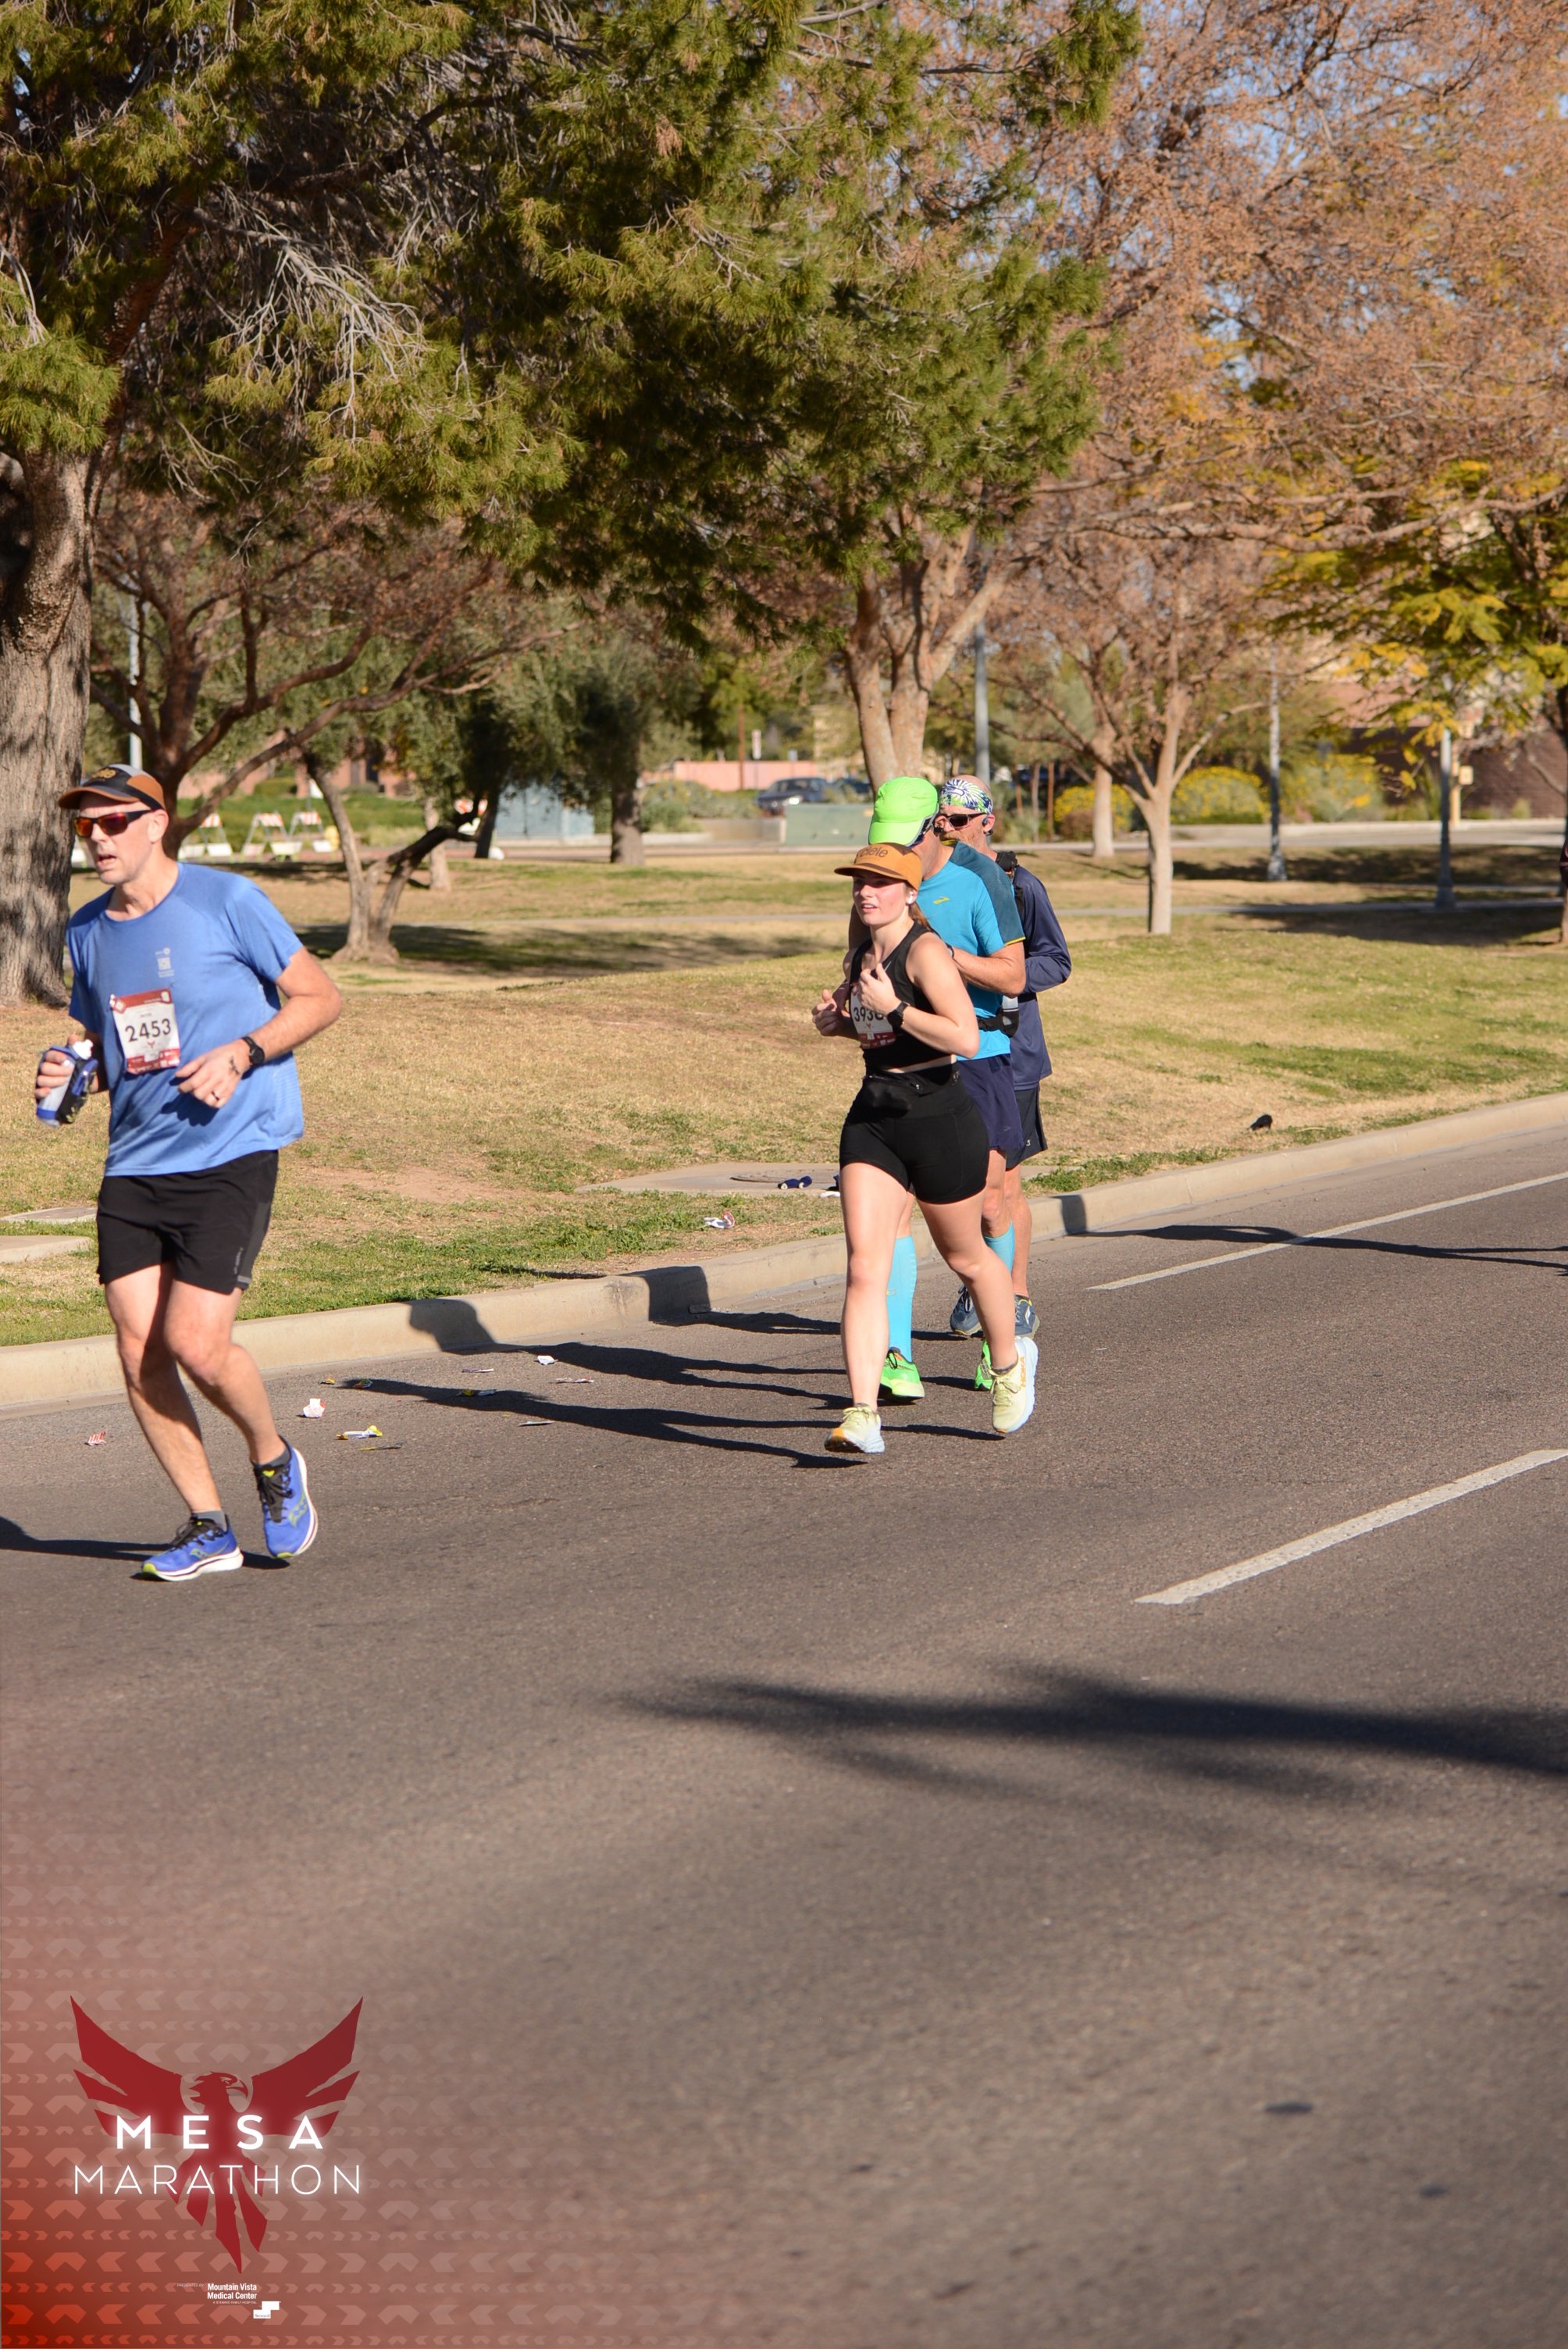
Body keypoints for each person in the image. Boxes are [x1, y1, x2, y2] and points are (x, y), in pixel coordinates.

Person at [34, 765, 342, 1581]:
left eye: (113, 822)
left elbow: (319, 997)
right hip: (135, 1161)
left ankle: (273, 1458)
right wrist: (73, 1072)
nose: (97, 838)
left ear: (157, 822)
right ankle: (209, 1525)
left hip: (230, 1152)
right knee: (139, 1349)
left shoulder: (226, 900)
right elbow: (107, 1045)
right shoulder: (88, 930)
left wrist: (244, 1052)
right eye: (85, 826)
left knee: (197, 1346)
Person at [812, 841, 1036, 1453]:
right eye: (860, 881)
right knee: (865, 1267)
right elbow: (879, 1035)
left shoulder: (927, 951)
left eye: (881, 883)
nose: (866, 891)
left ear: (910, 893)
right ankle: (862, 1413)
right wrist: (841, 1024)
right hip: (874, 1116)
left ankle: (1009, 1365)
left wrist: (895, 1007)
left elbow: (964, 1037)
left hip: (939, 1116)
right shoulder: (862, 954)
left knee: (967, 1259)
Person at [954, 803, 1071, 1340]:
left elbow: (1057, 960)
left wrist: (1004, 974)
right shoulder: (938, 882)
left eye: (961, 818)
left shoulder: (1020, 885)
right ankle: (980, 1279)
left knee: (1002, 1187)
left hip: (1013, 1053)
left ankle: (1016, 1293)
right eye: (941, 819)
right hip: (953, 1051)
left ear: (987, 821)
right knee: (964, 1186)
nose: (950, 827)